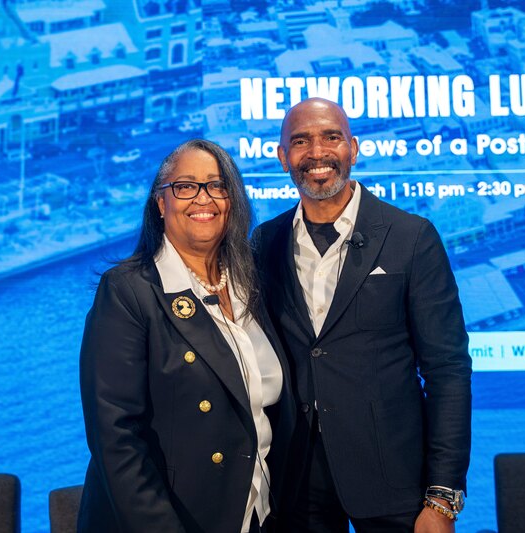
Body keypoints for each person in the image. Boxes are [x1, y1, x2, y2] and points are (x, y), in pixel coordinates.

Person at [252, 98, 472, 533]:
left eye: (331, 137)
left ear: (352, 148)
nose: (317, 152)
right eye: (301, 141)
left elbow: (447, 370)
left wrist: (443, 497)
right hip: (297, 486)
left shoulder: (411, 237)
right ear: (282, 157)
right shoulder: (264, 241)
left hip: (395, 482)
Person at [78, 139, 295, 533]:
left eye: (217, 185)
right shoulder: (128, 291)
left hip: (257, 514)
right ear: (160, 203)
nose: (203, 198)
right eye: (185, 186)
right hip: (174, 520)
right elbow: (115, 438)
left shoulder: (253, 282)